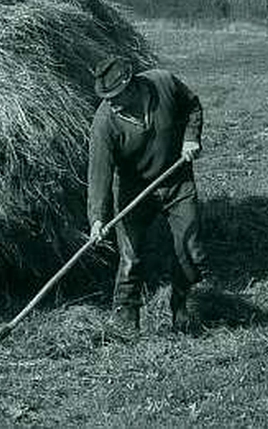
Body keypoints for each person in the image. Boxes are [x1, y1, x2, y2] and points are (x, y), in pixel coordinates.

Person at [87, 56, 207, 334]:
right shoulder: (105, 123)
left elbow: (192, 106)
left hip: (177, 182)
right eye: (106, 97)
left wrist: (191, 137)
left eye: (115, 96)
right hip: (135, 191)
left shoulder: (163, 83)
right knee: (130, 258)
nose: (110, 103)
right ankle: (125, 323)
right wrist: (97, 218)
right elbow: (99, 174)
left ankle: (181, 309)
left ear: (130, 86)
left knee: (191, 250)